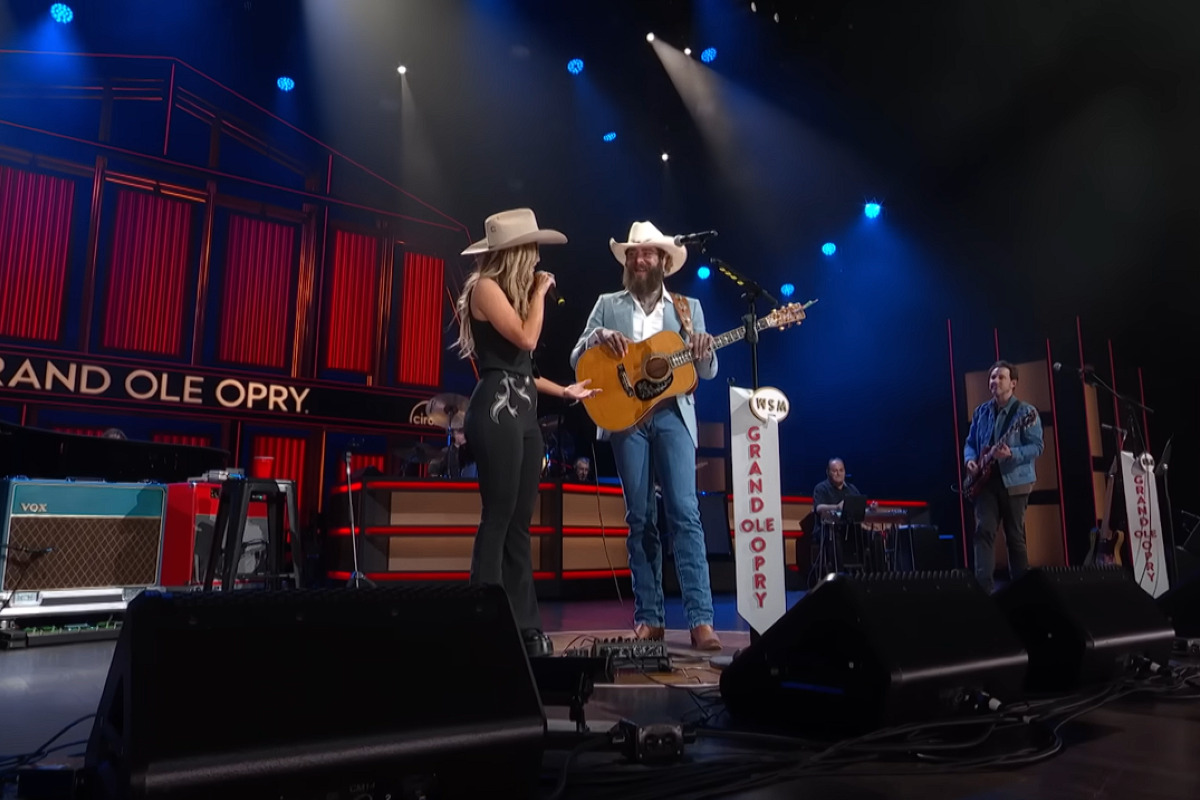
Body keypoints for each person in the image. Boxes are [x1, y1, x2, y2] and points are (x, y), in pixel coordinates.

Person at [570, 221, 721, 651]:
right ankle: (649, 618)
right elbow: (576, 356)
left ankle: (701, 620)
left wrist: (704, 349)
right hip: (625, 418)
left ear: (662, 262)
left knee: (685, 513)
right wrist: (597, 336)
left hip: (673, 414)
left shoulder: (687, 307)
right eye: (634, 254)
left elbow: (704, 371)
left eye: (647, 253)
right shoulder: (607, 304)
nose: (639, 260)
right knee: (639, 517)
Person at [456, 208, 598, 657]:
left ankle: (524, 623)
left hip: (523, 411)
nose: (538, 258)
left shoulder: (511, 295)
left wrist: (565, 391)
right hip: (495, 411)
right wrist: (538, 294)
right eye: (532, 249)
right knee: (497, 516)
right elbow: (525, 340)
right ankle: (483, 617)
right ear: (515, 252)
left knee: (520, 522)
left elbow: (525, 372)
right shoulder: (485, 288)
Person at [963, 360, 1044, 593]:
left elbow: (1037, 447)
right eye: (992, 377)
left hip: (1015, 482)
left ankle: (1021, 591)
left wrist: (1012, 453)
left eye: (1001, 377)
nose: (995, 381)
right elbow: (970, 443)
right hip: (985, 482)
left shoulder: (1026, 413)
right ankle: (984, 590)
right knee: (983, 532)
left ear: (1013, 383)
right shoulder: (981, 411)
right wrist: (970, 460)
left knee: (1015, 536)